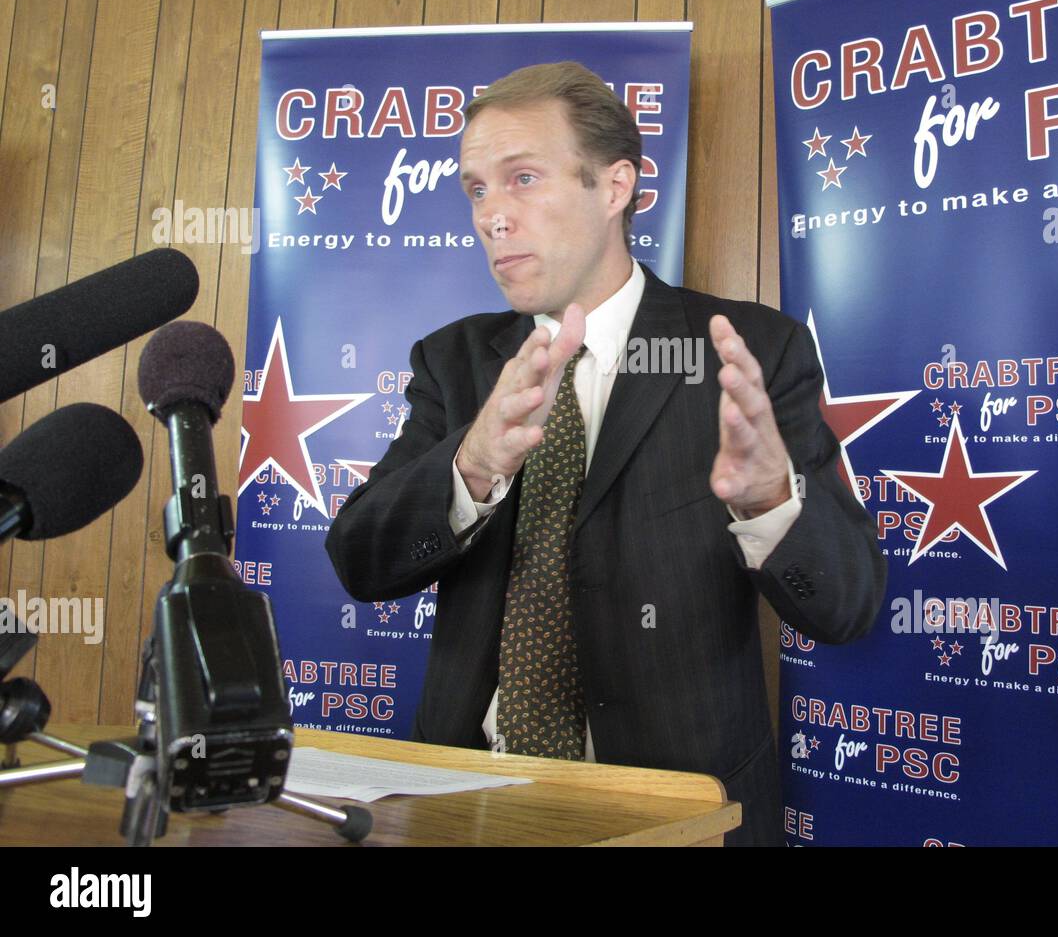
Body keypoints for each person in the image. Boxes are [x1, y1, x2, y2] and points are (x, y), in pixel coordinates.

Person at [325, 60, 887, 846]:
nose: (492, 216)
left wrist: (770, 501)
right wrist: (473, 463)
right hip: (466, 803)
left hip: (674, 813)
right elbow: (360, 560)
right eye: (477, 189)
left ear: (615, 186)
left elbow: (848, 603)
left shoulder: (748, 352)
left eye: (522, 178)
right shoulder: (451, 363)